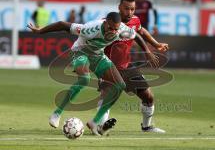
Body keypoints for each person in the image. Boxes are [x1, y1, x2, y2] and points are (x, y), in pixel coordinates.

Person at [27, 12, 159, 136]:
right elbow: (62, 24)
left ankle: (94, 122)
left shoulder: (122, 30)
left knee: (119, 85)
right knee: (84, 79)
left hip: (97, 55)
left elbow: (136, 35)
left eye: (116, 29)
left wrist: (147, 50)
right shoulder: (90, 28)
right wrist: (40, 31)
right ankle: (57, 113)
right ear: (105, 23)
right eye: (111, 28)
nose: (113, 32)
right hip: (80, 52)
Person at [97, 0, 169, 133]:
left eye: (132, 9)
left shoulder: (135, 20)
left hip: (126, 66)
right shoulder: (106, 23)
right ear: (119, 7)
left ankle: (146, 127)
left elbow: (141, 31)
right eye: (126, 9)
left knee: (148, 96)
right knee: (107, 96)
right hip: (108, 67)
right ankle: (100, 126)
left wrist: (156, 44)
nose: (129, 12)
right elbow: (89, 40)